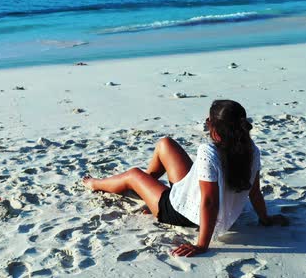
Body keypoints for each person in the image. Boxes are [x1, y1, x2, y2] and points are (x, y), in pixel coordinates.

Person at [82, 99, 288, 257]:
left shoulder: (209, 151)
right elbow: (254, 191)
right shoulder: (251, 149)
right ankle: (148, 192)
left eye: (208, 121)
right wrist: (266, 219)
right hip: (213, 209)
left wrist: (201, 245)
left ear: (215, 130)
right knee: (165, 144)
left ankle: (95, 184)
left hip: (182, 213)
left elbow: (209, 202)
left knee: (133, 174)